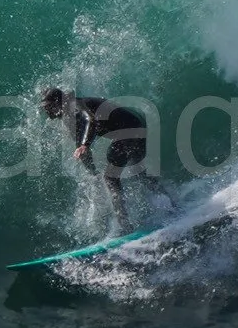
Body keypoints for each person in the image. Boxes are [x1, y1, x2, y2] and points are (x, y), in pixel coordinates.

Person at [40, 87, 160, 227]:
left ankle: (124, 224)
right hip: (136, 125)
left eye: (48, 106)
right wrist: (93, 173)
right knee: (139, 174)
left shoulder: (74, 105)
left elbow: (90, 119)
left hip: (130, 128)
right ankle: (169, 203)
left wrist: (85, 144)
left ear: (57, 103)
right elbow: (83, 152)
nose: (46, 110)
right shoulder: (69, 118)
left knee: (110, 177)